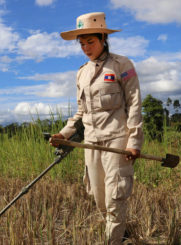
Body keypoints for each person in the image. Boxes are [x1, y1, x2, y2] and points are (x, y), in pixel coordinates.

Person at [50, 12, 143, 244]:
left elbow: (134, 104)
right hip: (90, 141)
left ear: (103, 37)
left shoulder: (122, 65)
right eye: (81, 44)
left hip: (117, 140)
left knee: (115, 196)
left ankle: (113, 240)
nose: (86, 48)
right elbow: (81, 112)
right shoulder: (81, 73)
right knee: (98, 196)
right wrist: (64, 134)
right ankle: (121, 233)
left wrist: (134, 142)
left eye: (90, 42)